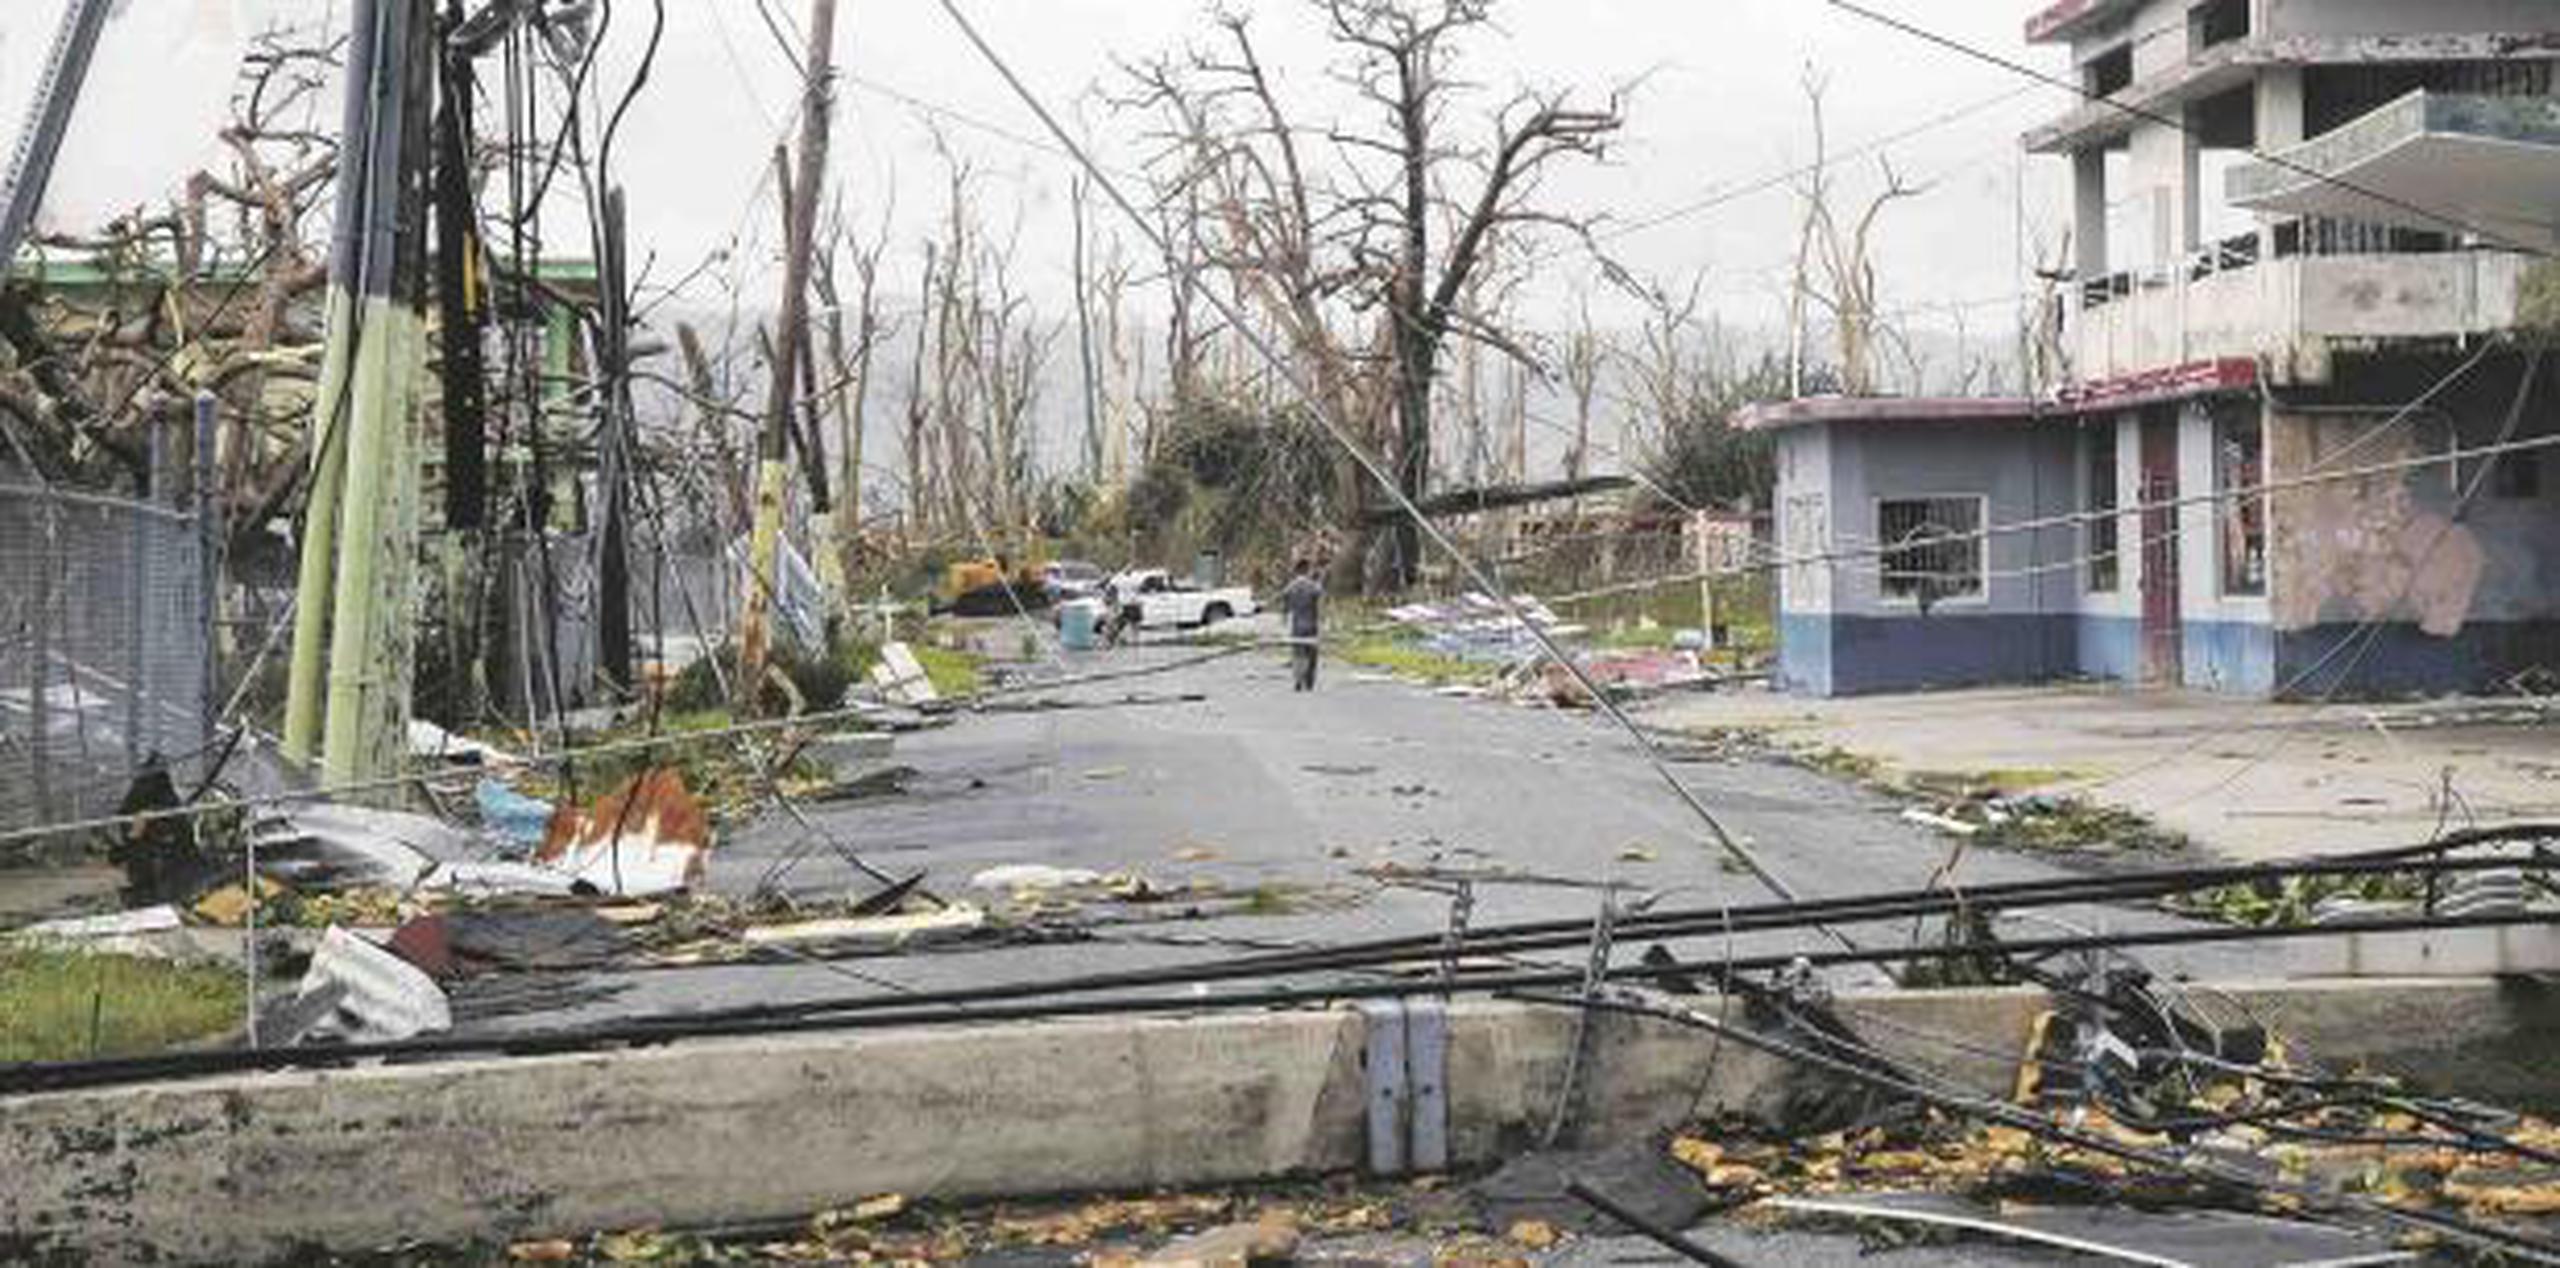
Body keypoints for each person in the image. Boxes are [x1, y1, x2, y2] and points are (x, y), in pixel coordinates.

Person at [1277, 558, 1324, 692]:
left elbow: (1285, 604)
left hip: (1297, 625)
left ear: (1297, 570)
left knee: (1298, 653)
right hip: (1311, 625)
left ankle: (1298, 679)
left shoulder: (1290, 587)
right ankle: (1308, 681)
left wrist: (1284, 619)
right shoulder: (1313, 586)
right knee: (1312, 654)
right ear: (1307, 569)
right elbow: (1320, 599)